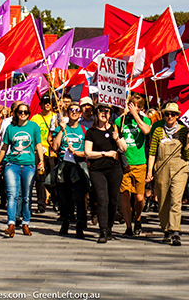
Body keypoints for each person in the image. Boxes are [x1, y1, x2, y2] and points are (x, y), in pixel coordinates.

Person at [0, 103, 44, 237]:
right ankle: (11, 223)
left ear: (29, 113)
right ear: (16, 113)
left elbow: (38, 145)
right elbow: (4, 147)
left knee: (27, 196)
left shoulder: (34, 127)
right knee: (12, 194)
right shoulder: (10, 128)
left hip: (29, 165)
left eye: (26, 112)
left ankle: (25, 223)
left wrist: (41, 161)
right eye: (20, 112)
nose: (23, 114)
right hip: (12, 164)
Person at [147, 102, 189, 246]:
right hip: (161, 169)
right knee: (163, 201)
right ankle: (165, 228)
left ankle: (175, 231)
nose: (170, 116)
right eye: (167, 114)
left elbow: (187, 155)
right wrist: (150, 172)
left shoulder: (184, 131)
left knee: (175, 200)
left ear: (178, 116)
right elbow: (152, 152)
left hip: (180, 169)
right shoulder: (158, 131)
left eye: (173, 114)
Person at [84, 103, 127, 243]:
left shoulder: (115, 129)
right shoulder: (91, 132)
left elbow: (124, 148)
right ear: (96, 114)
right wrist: (104, 154)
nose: (104, 113)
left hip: (115, 169)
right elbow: (87, 152)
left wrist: (117, 139)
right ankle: (102, 231)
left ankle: (109, 228)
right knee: (102, 199)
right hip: (98, 170)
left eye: (107, 111)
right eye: (101, 111)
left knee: (113, 200)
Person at [115, 94, 151, 237]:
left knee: (139, 197)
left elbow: (146, 131)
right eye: (130, 104)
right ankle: (128, 226)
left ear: (140, 107)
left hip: (139, 163)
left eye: (135, 105)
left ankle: (137, 218)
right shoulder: (120, 120)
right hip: (125, 163)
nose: (131, 107)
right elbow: (115, 136)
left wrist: (136, 116)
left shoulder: (144, 119)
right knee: (125, 194)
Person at [52, 101, 89, 239]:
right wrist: (61, 130)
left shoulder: (84, 130)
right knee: (65, 197)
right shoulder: (62, 128)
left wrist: (78, 153)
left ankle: (80, 224)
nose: (74, 112)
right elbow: (55, 147)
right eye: (71, 110)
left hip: (79, 166)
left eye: (77, 110)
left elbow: (87, 151)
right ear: (67, 112)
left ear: (80, 113)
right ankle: (66, 221)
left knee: (80, 197)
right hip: (64, 165)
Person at [31, 94, 54, 214]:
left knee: (53, 178)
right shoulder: (35, 118)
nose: (47, 104)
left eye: (49, 102)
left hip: (52, 152)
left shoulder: (55, 116)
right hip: (39, 151)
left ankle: (55, 200)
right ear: (40, 105)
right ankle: (41, 204)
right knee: (40, 178)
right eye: (45, 102)